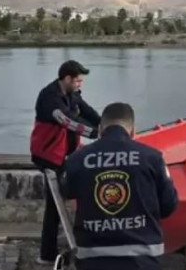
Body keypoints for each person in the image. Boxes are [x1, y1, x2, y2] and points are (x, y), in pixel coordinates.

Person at [63, 102, 179, 270]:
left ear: (101, 129)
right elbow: (169, 206)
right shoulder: (153, 158)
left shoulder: (77, 159)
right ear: (133, 131)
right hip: (143, 260)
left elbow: (67, 191)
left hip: (93, 259)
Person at [30, 60, 102, 265]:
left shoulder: (72, 94)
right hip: (48, 158)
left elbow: (86, 111)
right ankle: (47, 254)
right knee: (54, 207)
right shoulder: (50, 98)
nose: (80, 84)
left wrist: (106, 124)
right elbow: (67, 120)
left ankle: (77, 241)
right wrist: (96, 133)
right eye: (78, 81)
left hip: (66, 155)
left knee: (71, 196)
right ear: (67, 78)